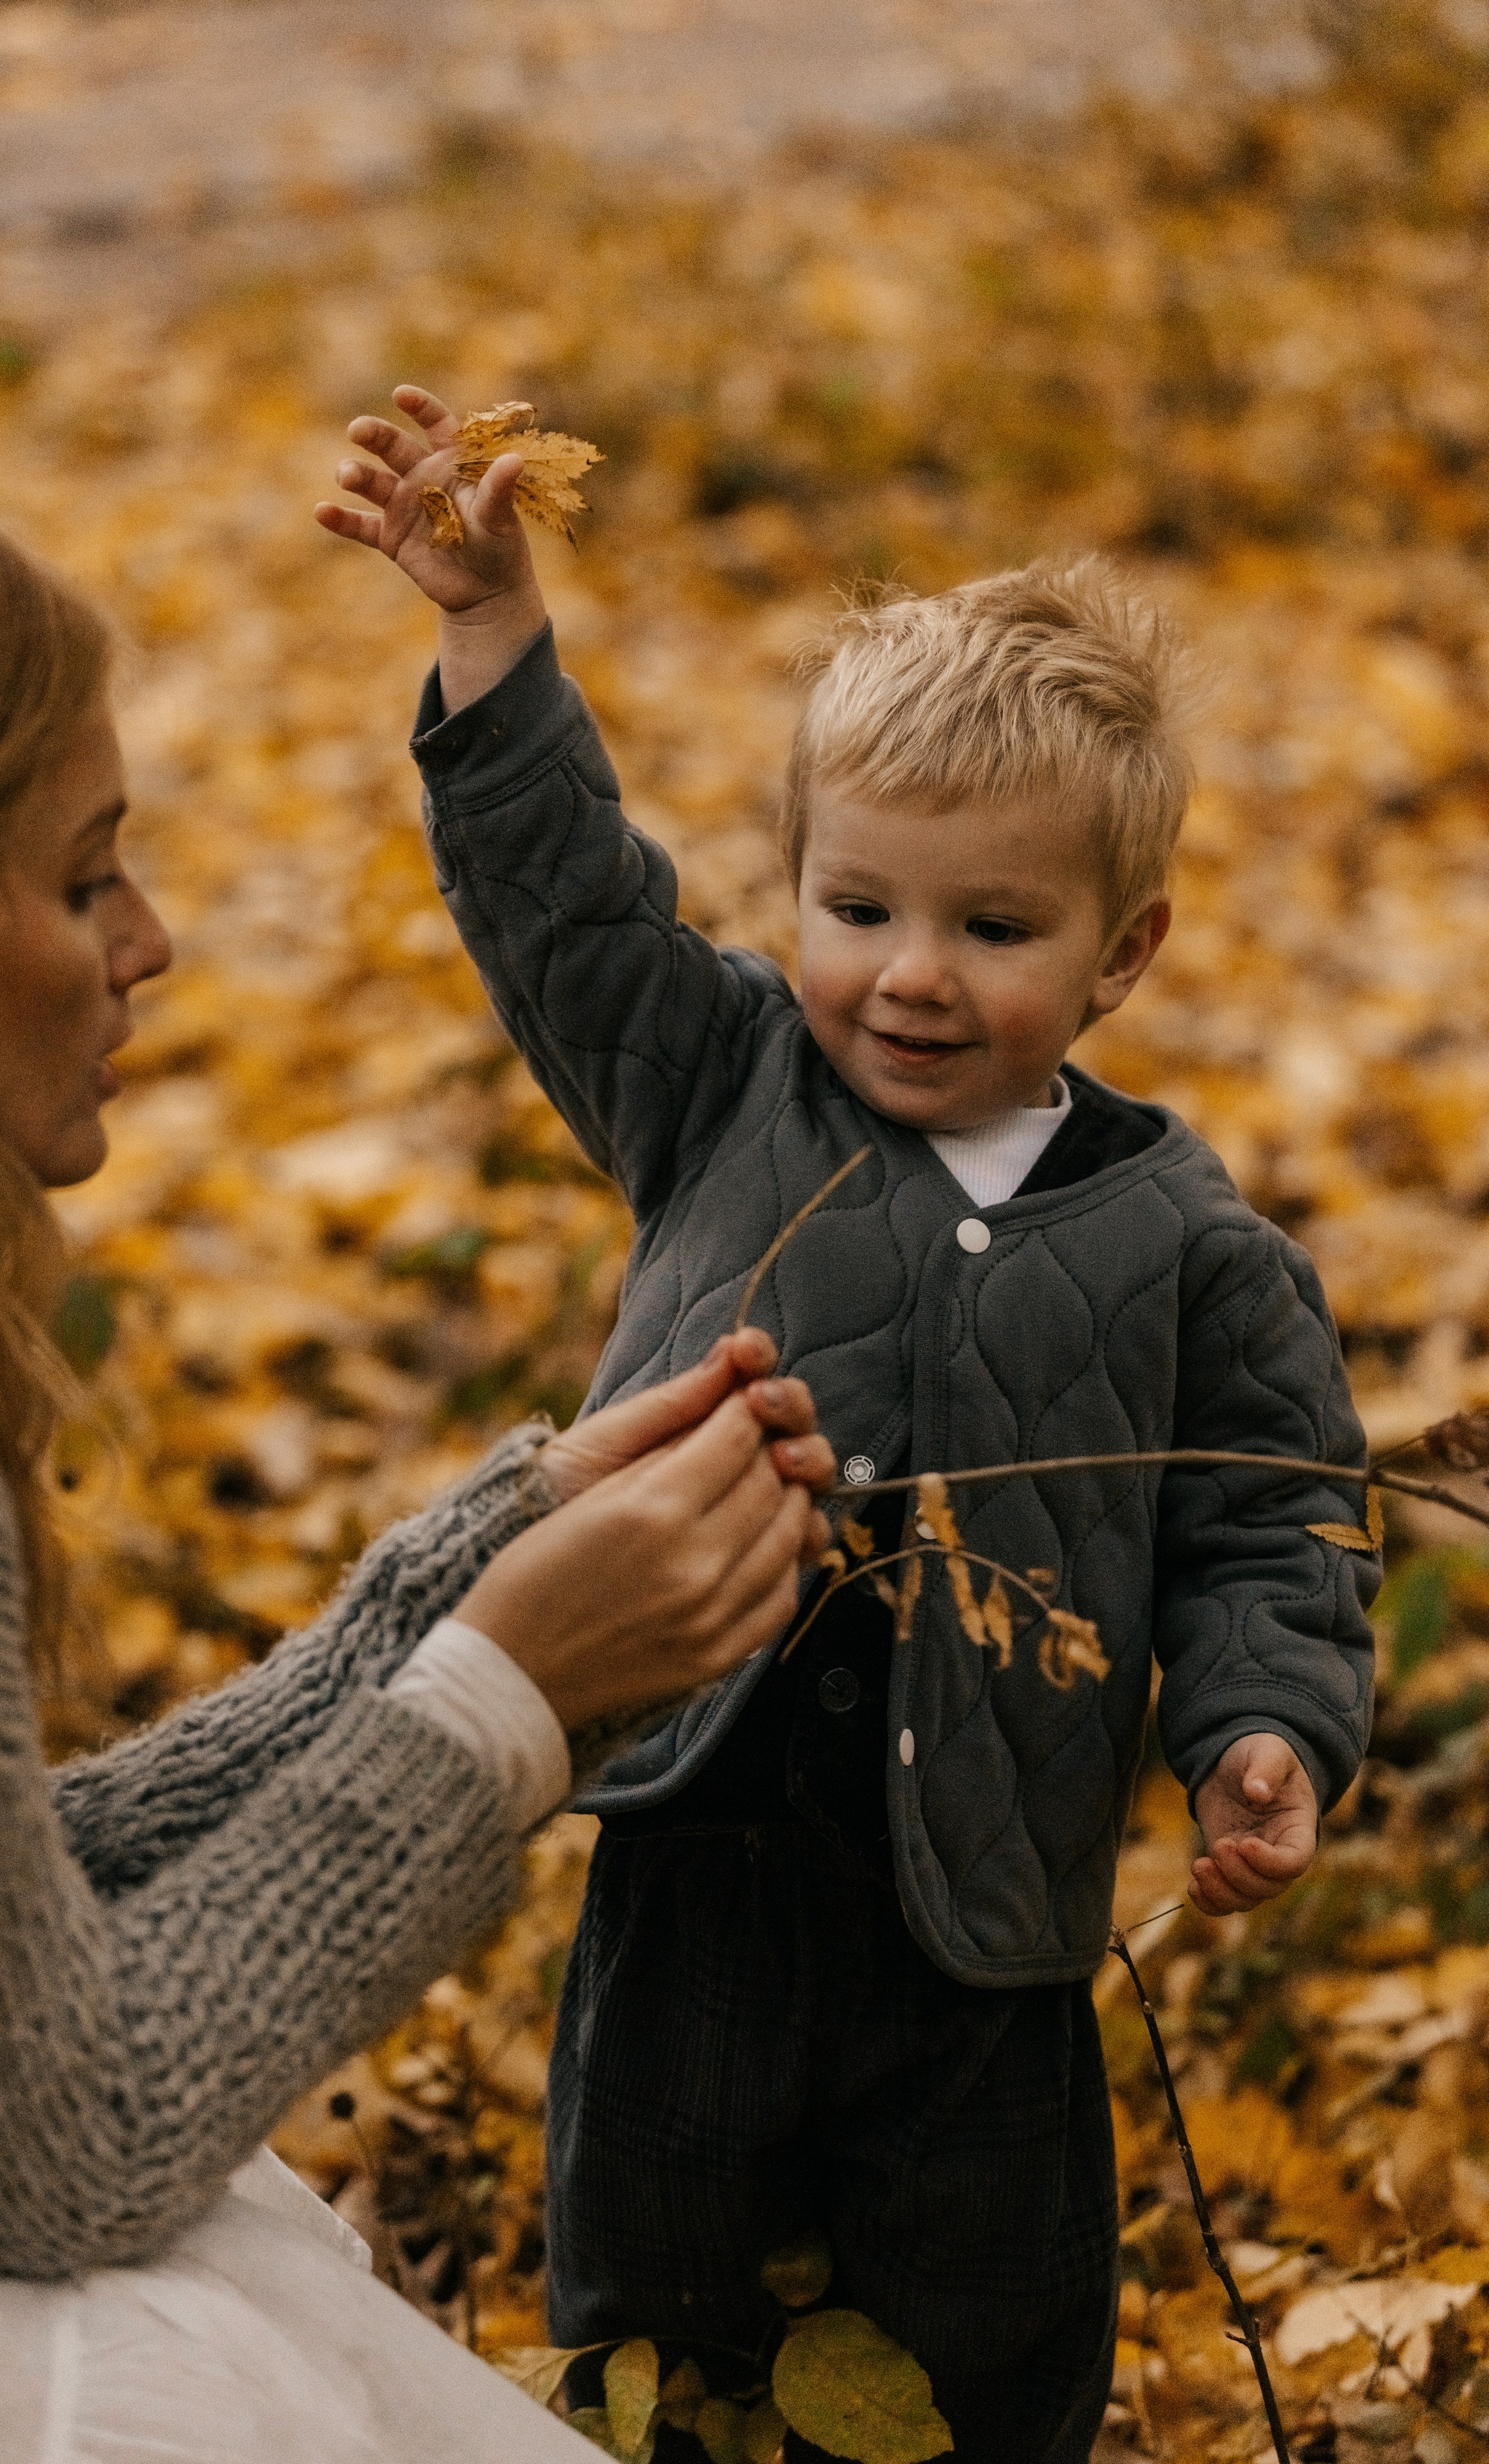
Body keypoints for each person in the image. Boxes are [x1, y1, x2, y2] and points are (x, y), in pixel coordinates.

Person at [319, 387, 1380, 2462]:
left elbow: (1268, 1524)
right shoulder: (721, 1088)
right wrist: (488, 637)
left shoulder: (1188, 1246)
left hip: (985, 1927)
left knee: (992, 2335)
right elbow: (566, 907)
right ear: (795, 884)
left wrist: (1264, 1726)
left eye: (995, 931)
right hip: (694, 1858)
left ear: (1122, 954)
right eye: (860, 907)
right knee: (660, 2302)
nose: (908, 977)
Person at [0, 482, 838, 2464]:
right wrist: (502, 1703)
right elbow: (52, 2140)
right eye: (85, 878)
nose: (156, 942)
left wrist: (455, 1580)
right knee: (152, 2352)